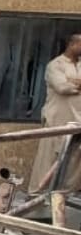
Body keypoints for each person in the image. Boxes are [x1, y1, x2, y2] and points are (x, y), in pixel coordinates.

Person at [29, 33, 81, 193]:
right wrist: (73, 84)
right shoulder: (55, 65)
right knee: (48, 160)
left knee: (73, 163)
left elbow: (68, 84)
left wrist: (71, 81)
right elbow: (62, 87)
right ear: (72, 44)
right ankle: (37, 195)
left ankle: (65, 197)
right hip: (55, 120)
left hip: (77, 121)